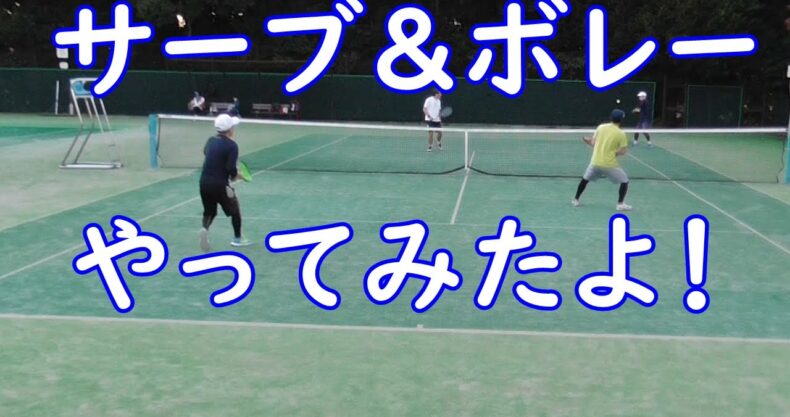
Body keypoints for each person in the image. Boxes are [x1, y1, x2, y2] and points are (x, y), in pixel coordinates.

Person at [199, 114, 252, 251]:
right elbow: (230, 169)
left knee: (209, 211)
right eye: (233, 127)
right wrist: (238, 176)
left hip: (204, 182)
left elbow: (206, 153)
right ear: (230, 129)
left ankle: (205, 228)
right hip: (220, 185)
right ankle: (237, 239)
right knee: (235, 211)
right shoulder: (232, 146)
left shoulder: (211, 140)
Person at [572, 109, 632, 211]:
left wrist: (587, 140)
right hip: (609, 164)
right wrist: (615, 153)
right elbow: (623, 151)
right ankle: (620, 204)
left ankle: (576, 199)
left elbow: (593, 143)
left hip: (595, 162)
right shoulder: (621, 134)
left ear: (611, 117)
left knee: (585, 180)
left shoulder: (601, 127)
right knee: (625, 181)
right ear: (621, 120)